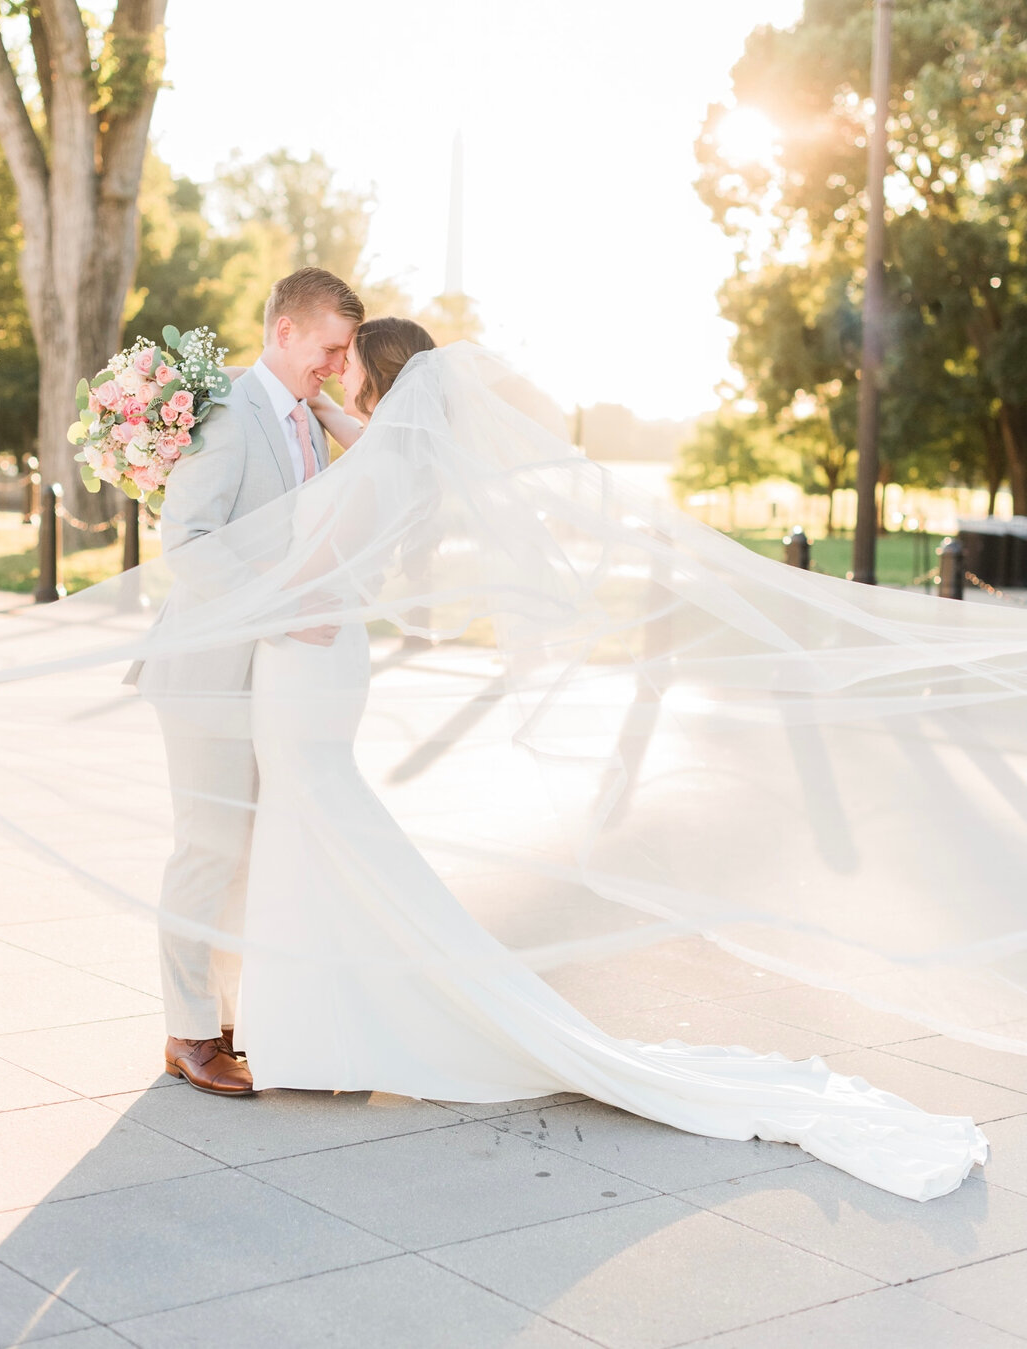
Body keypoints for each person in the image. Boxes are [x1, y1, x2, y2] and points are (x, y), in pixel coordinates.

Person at [220, 318, 988, 1201]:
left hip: (305, 656)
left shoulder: (383, 458)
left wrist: (240, 598)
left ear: (374, 373)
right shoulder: (403, 450)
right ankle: (327, 1029)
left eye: (344, 359)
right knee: (323, 830)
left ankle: (327, 1030)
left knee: (316, 825)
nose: (332, 367)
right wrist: (322, 407)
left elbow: (310, 568)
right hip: (326, 664)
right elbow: (371, 453)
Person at [142, 266, 364, 1097]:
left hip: (270, 682)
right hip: (207, 671)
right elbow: (189, 540)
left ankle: (230, 1018)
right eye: (331, 348)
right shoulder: (231, 415)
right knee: (207, 849)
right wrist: (275, 613)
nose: (339, 365)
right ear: (285, 331)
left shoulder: (309, 418)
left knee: (248, 857)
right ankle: (189, 1032)